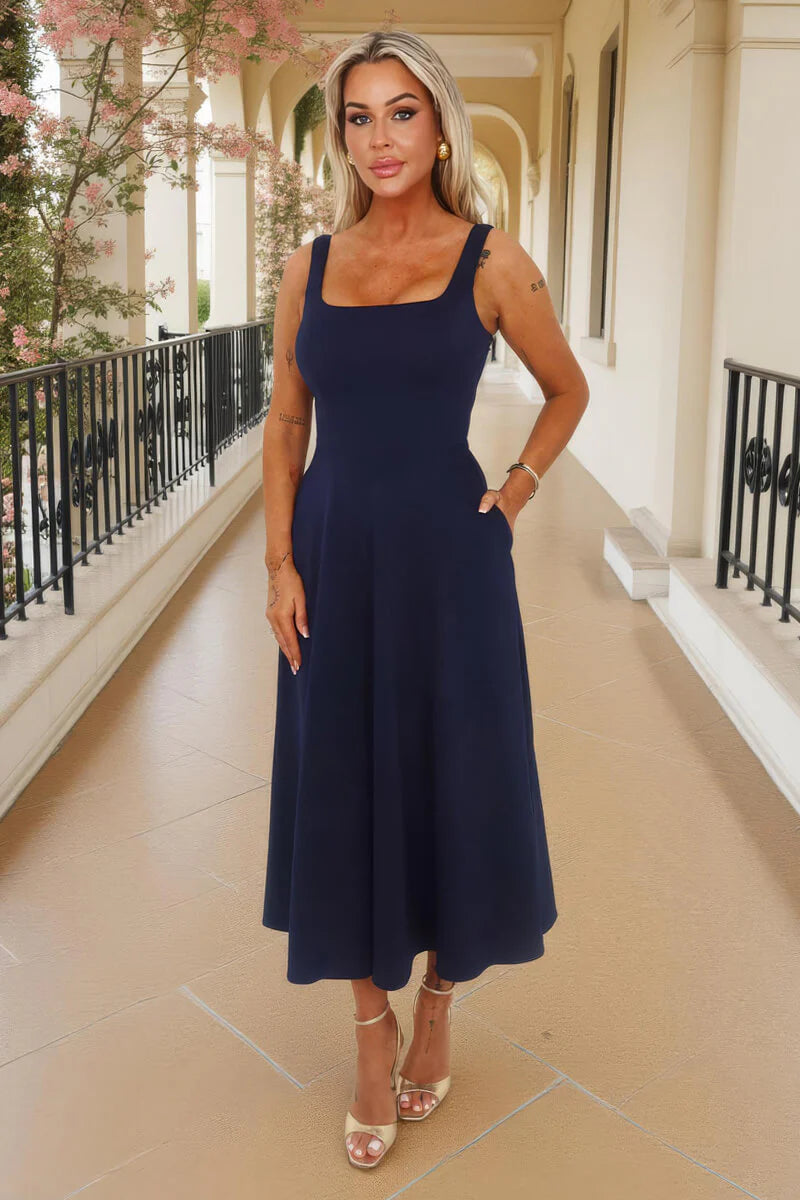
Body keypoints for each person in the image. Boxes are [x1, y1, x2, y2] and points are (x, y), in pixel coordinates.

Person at [260, 28, 589, 1171]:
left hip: (452, 561)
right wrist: (279, 564)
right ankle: (369, 1023)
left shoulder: (492, 263)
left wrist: (512, 495)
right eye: (357, 116)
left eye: (401, 112)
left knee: (459, 771)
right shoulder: (308, 266)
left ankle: (439, 1001)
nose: (380, 137)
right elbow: (287, 421)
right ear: (340, 137)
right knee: (337, 776)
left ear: (439, 125)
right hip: (332, 556)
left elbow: (564, 389)